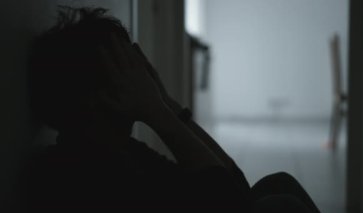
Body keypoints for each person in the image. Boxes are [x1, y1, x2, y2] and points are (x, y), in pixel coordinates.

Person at [24, 7, 320, 212]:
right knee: (280, 207)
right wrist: (157, 112)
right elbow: (229, 202)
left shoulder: (121, 149)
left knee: (278, 183)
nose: (141, 73)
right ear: (94, 93)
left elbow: (233, 183)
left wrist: (166, 103)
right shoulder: (86, 175)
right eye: (127, 68)